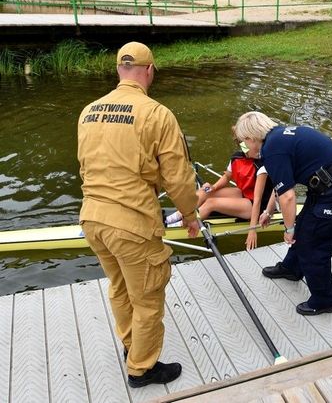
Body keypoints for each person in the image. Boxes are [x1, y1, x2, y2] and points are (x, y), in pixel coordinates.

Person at [77, 41, 200, 388]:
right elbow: (177, 177)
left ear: (119, 70)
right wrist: (190, 215)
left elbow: (86, 166)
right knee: (147, 297)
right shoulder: (157, 113)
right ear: (149, 71)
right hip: (131, 225)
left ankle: (132, 346)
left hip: (92, 219)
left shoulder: (88, 111)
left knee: (119, 288)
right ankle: (142, 369)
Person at [233, 111, 332, 316]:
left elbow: (288, 197)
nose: (244, 148)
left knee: (314, 243)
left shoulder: (272, 149)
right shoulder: (278, 138)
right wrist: (268, 211)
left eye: (243, 143)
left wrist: (289, 229)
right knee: (306, 225)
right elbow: (281, 184)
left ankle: (325, 300)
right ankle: (292, 268)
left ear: (251, 138)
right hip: (330, 181)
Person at [166, 140, 276, 250]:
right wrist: (213, 187)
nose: (260, 152)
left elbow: (257, 200)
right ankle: (173, 217)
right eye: (257, 148)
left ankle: (175, 227)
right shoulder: (236, 157)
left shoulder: (262, 165)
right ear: (244, 146)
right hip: (245, 194)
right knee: (205, 191)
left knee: (211, 203)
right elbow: (227, 177)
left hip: (259, 205)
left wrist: (252, 230)